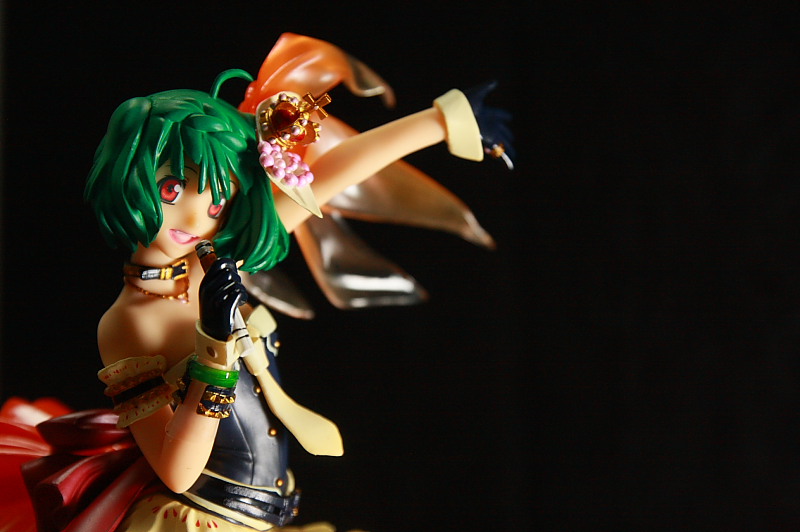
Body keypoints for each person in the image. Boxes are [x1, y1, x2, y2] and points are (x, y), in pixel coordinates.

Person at [4, 33, 513, 532]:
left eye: (216, 202)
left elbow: (330, 175)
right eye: (172, 188)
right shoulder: (127, 323)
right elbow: (178, 472)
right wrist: (213, 348)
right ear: (128, 177)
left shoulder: (212, 265)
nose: (193, 217)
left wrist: (442, 120)